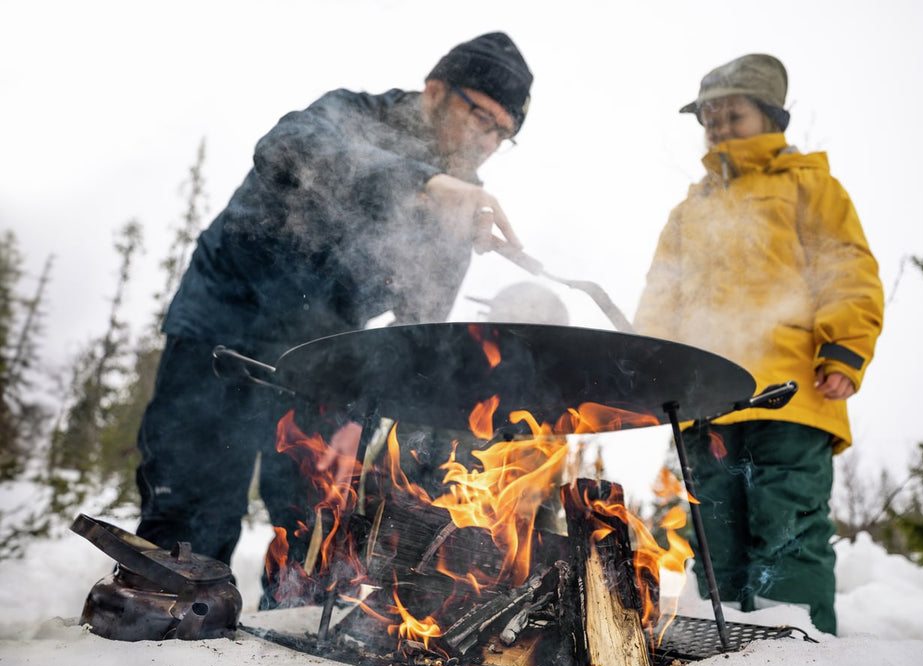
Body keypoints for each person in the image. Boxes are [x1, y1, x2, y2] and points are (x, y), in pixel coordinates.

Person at [134, 33, 535, 591]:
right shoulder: (353, 114)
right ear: (436, 90)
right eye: (481, 117)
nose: (489, 141)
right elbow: (285, 146)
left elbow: (420, 338)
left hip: (318, 358)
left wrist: (380, 427)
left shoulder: (456, 206)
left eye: (504, 133)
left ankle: (288, 660)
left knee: (316, 529)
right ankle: (159, 634)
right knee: (193, 509)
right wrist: (421, 183)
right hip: (225, 326)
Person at [633, 54, 884, 635]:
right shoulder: (688, 212)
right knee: (712, 532)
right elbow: (661, 294)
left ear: (772, 118)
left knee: (786, 530)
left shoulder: (810, 186)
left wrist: (845, 346)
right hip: (705, 402)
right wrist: (648, 370)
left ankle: (798, 655)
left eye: (732, 115)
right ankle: (721, 657)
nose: (717, 128)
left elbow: (846, 267)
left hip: (793, 392)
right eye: (709, 118)